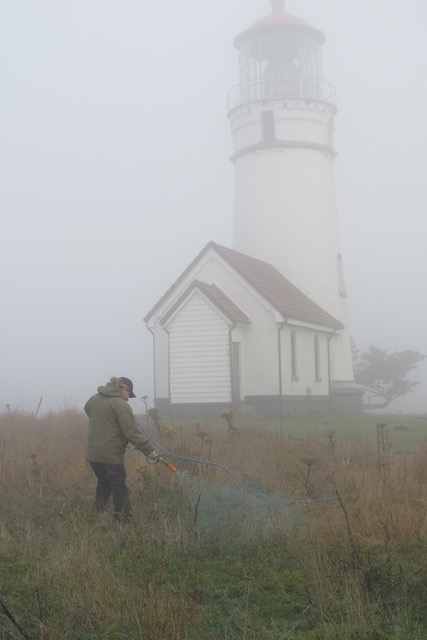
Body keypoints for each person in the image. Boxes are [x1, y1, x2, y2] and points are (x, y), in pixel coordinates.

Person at [84, 376, 159, 522]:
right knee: (118, 486)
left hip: (93, 454)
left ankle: (97, 511)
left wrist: (106, 422)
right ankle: (122, 519)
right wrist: (149, 451)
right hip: (110, 455)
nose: (128, 398)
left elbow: (88, 410)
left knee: (104, 482)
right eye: (128, 394)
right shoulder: (120, 404)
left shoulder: (94, 399)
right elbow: (131, 432)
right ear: (124, 388)